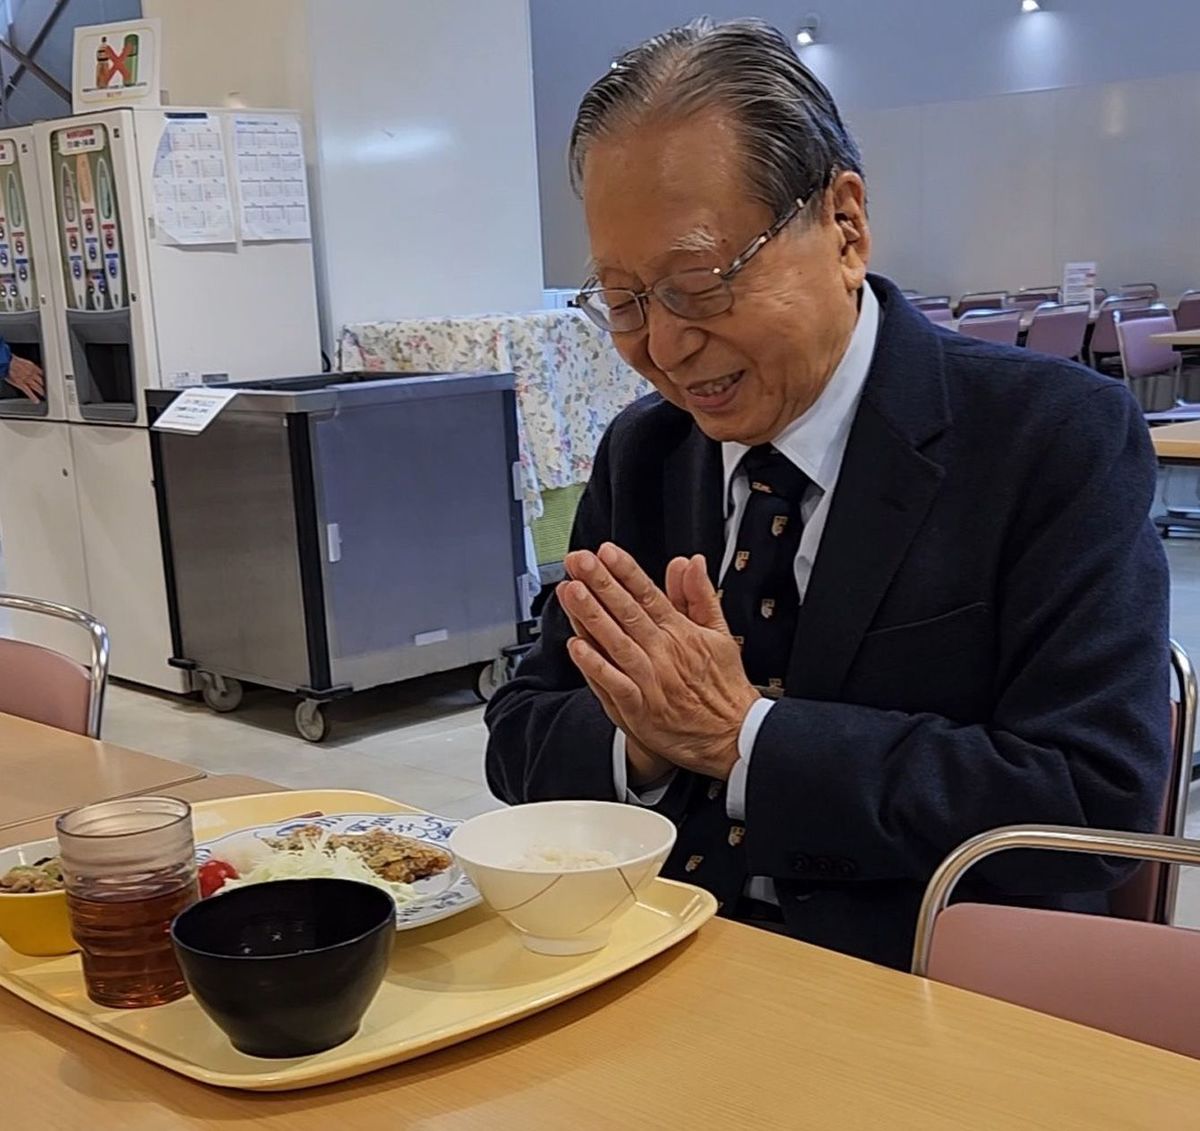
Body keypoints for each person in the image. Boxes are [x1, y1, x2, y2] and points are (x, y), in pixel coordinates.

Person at [484, 18, 1170, 969]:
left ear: (844, 225)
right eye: (624, 300)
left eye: (699, 284)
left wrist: (743, 739)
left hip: (929, 991)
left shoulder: (1050, 440)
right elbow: (520, 733)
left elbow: (1091, 794)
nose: (666, 346)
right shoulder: (645, 454)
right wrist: (642, 741)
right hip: (662, 968)